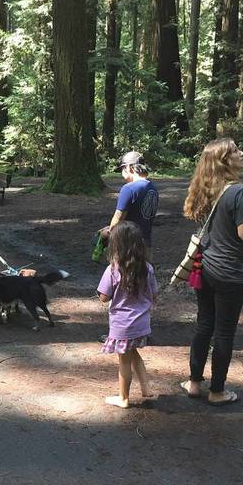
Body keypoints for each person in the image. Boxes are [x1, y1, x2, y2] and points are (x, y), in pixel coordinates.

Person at [180, 138, 243, 406]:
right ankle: (217, 391)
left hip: (203, 267)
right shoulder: (241, 192)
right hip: (230, 271)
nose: (242, 153)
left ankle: (194, 382)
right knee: (225, 332)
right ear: (225, 160)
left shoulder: (206, 190)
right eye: (236, 151)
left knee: (204, 324)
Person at [97, 221, 158, 409]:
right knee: (133, 353)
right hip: (141, 323)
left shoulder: (114, 269)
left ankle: (123, 398)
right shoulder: (147, 268)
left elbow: (104, 297)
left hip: (122, 325)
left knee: (124, 360)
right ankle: (146, 388)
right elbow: (154, 294)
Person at [102, 151, 159, 262]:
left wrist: (106, 232)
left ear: (130, 168)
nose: (122, 174)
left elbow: (118, 219)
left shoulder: (128, 189)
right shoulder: (153, 188)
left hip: (128, 247)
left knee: (125, 278)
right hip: (146, 244)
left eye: (123, 169)